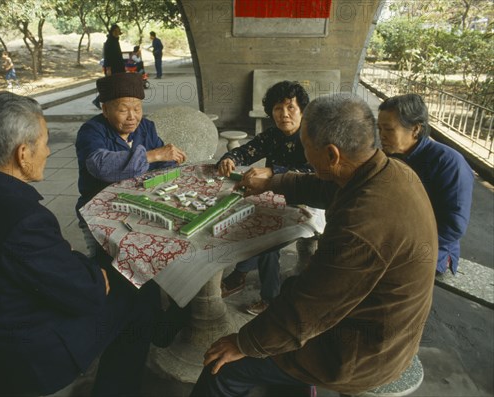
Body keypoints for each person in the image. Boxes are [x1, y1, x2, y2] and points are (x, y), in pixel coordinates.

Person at [191, 94, 438, 397]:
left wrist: (245, 343)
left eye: (306, 147)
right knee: (287, 299)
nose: (305, 156)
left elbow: (308, 310)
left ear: (332, 155)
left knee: (224, 366)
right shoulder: (386, 172)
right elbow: (325, 187)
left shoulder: (363, 223)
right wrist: (271, 183)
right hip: (377, 325)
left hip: (364, 351)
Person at [0, 91, 162, 396]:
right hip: (29, 358)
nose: (49, 152)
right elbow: (87, 294)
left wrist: (76, 264)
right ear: (23, 154)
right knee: (138, 292)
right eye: (44, 142)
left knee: (108, 275)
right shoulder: (23, 218)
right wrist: (89, 271)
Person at [217, 80, 321, 316]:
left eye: (290, 108)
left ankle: (270, 298)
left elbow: (315, 174)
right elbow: (246, 151)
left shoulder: (313, 136)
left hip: (311, 201)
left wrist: (275, 171)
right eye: (277, 109)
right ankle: (241, 274)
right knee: (241, 213)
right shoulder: (272, 136)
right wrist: (229, 158)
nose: (284, 114)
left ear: (302, 110)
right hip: (277, 196)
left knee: (268, 239)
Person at [76, 72, 186, 256]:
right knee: (107, 264)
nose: (132, 117)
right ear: (105, 110)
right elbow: (100, 165)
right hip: (100, 211)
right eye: (123, 110)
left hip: (137, 208)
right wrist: (152, 155)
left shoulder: (146, 127)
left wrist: (168, 175)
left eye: (137, 109)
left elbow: (164, 164)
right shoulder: (91, 131)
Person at [377, 93, 473, 275]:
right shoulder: (390, 156)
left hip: (432, 251)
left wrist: (402, 247)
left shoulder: (448, 163)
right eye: (379, 129)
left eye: (389, 130)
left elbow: (453, 227)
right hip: (395, 240)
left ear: (415, 129)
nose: (381, 136)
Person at [93, 24, 125, 109]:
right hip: (112, 68)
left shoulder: (115, 41)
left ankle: (115, 103)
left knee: (117, 86)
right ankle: (98, 100)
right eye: (117, 31)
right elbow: (107, 56)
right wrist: (108, 69)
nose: (118, 33)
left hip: (118, 67)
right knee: (111, 86)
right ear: (113, 32)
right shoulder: (109, 42)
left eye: (119, 32)